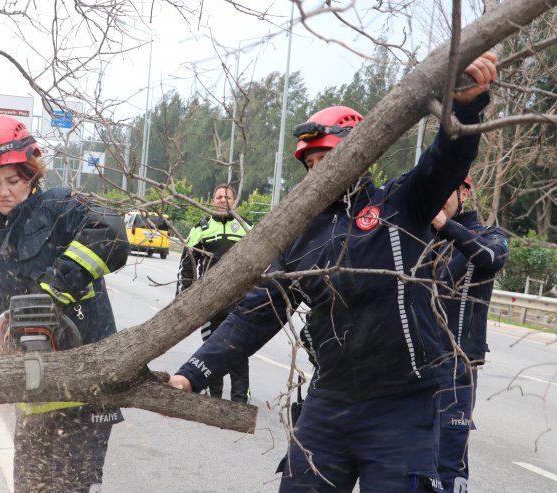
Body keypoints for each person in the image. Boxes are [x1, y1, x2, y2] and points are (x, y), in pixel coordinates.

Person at [169, 52, 498, 492]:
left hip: (404, 406)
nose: (317, 172)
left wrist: (466, 105)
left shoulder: (403, 201)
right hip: (328, 404)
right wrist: (190, 374)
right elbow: (255, 314)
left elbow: (448, 157)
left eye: (327, 158)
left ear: (362, 154)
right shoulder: (300, 237)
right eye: (310, 164)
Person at [0, 114, 130, 493]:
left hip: (85, 382)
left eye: (13, 180)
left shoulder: (64, 206)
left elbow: (112, 233)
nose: (4, 191)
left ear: (32, 173)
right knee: (30, 485)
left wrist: (54, 289)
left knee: (68, 487)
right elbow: (0, 301)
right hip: (33, 390)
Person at [432, 176, 508, 493]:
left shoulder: (488, 236)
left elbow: (491, 258)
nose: (435, 198)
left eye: (443, 191)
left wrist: (443, 225)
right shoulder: (417, 238)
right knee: (403, 464)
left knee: (447, 470)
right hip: (409, 368)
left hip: (456, 371)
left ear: (464, 193)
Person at [176, 184, 252, 403]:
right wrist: (186, 297)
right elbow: (187, 266)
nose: (222, 200)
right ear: (212, 200)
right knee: (211, 349)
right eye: (218, 196)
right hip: (209, 303)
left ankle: (240, 400)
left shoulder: (246, 227)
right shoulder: (200, 228)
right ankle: (213, 398)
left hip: (239, 301)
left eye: (227, 197)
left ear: (234, 201)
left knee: (238, 350)